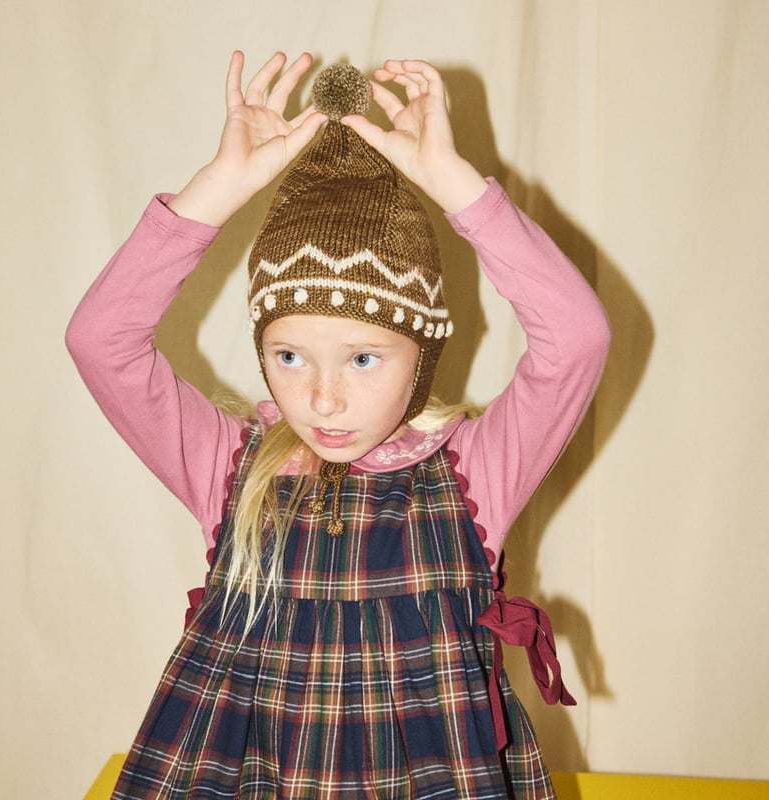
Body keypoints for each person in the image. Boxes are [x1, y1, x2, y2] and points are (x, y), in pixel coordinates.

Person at [67, 50, 610, 800]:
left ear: (422, 356)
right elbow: (100, 341)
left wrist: (454, 183)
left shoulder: (474, 474)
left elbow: (577, 339)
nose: (323, 399)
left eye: (362, 359)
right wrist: (220, 188)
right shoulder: (229, 467)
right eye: (289, 356)